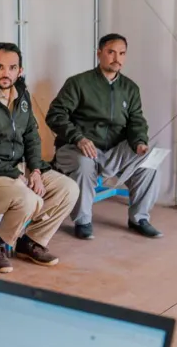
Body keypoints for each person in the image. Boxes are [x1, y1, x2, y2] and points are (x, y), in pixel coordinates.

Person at [0, 43, 78, 273]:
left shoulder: (22, 95)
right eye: (0, 67)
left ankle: (31, 242)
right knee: (29, 199)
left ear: (19, 71)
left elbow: (31, 136)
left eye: (12, 68)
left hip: (17, 167)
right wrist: (16, 175)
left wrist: (34, 171)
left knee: (68, 188)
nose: (6, 73)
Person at [46, 33, 163, 240]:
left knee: (150, 161)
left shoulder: (130, 88)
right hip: (78, 147)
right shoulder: (78, 83)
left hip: (112, 151)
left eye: (122, 53)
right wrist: (78, 138)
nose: (117, 58)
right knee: (84, 162)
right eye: (111, 52)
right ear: (99, 53)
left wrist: (139, 143)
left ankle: (139, 218)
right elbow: (55, 115)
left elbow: (136, 121)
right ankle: (83, 221)